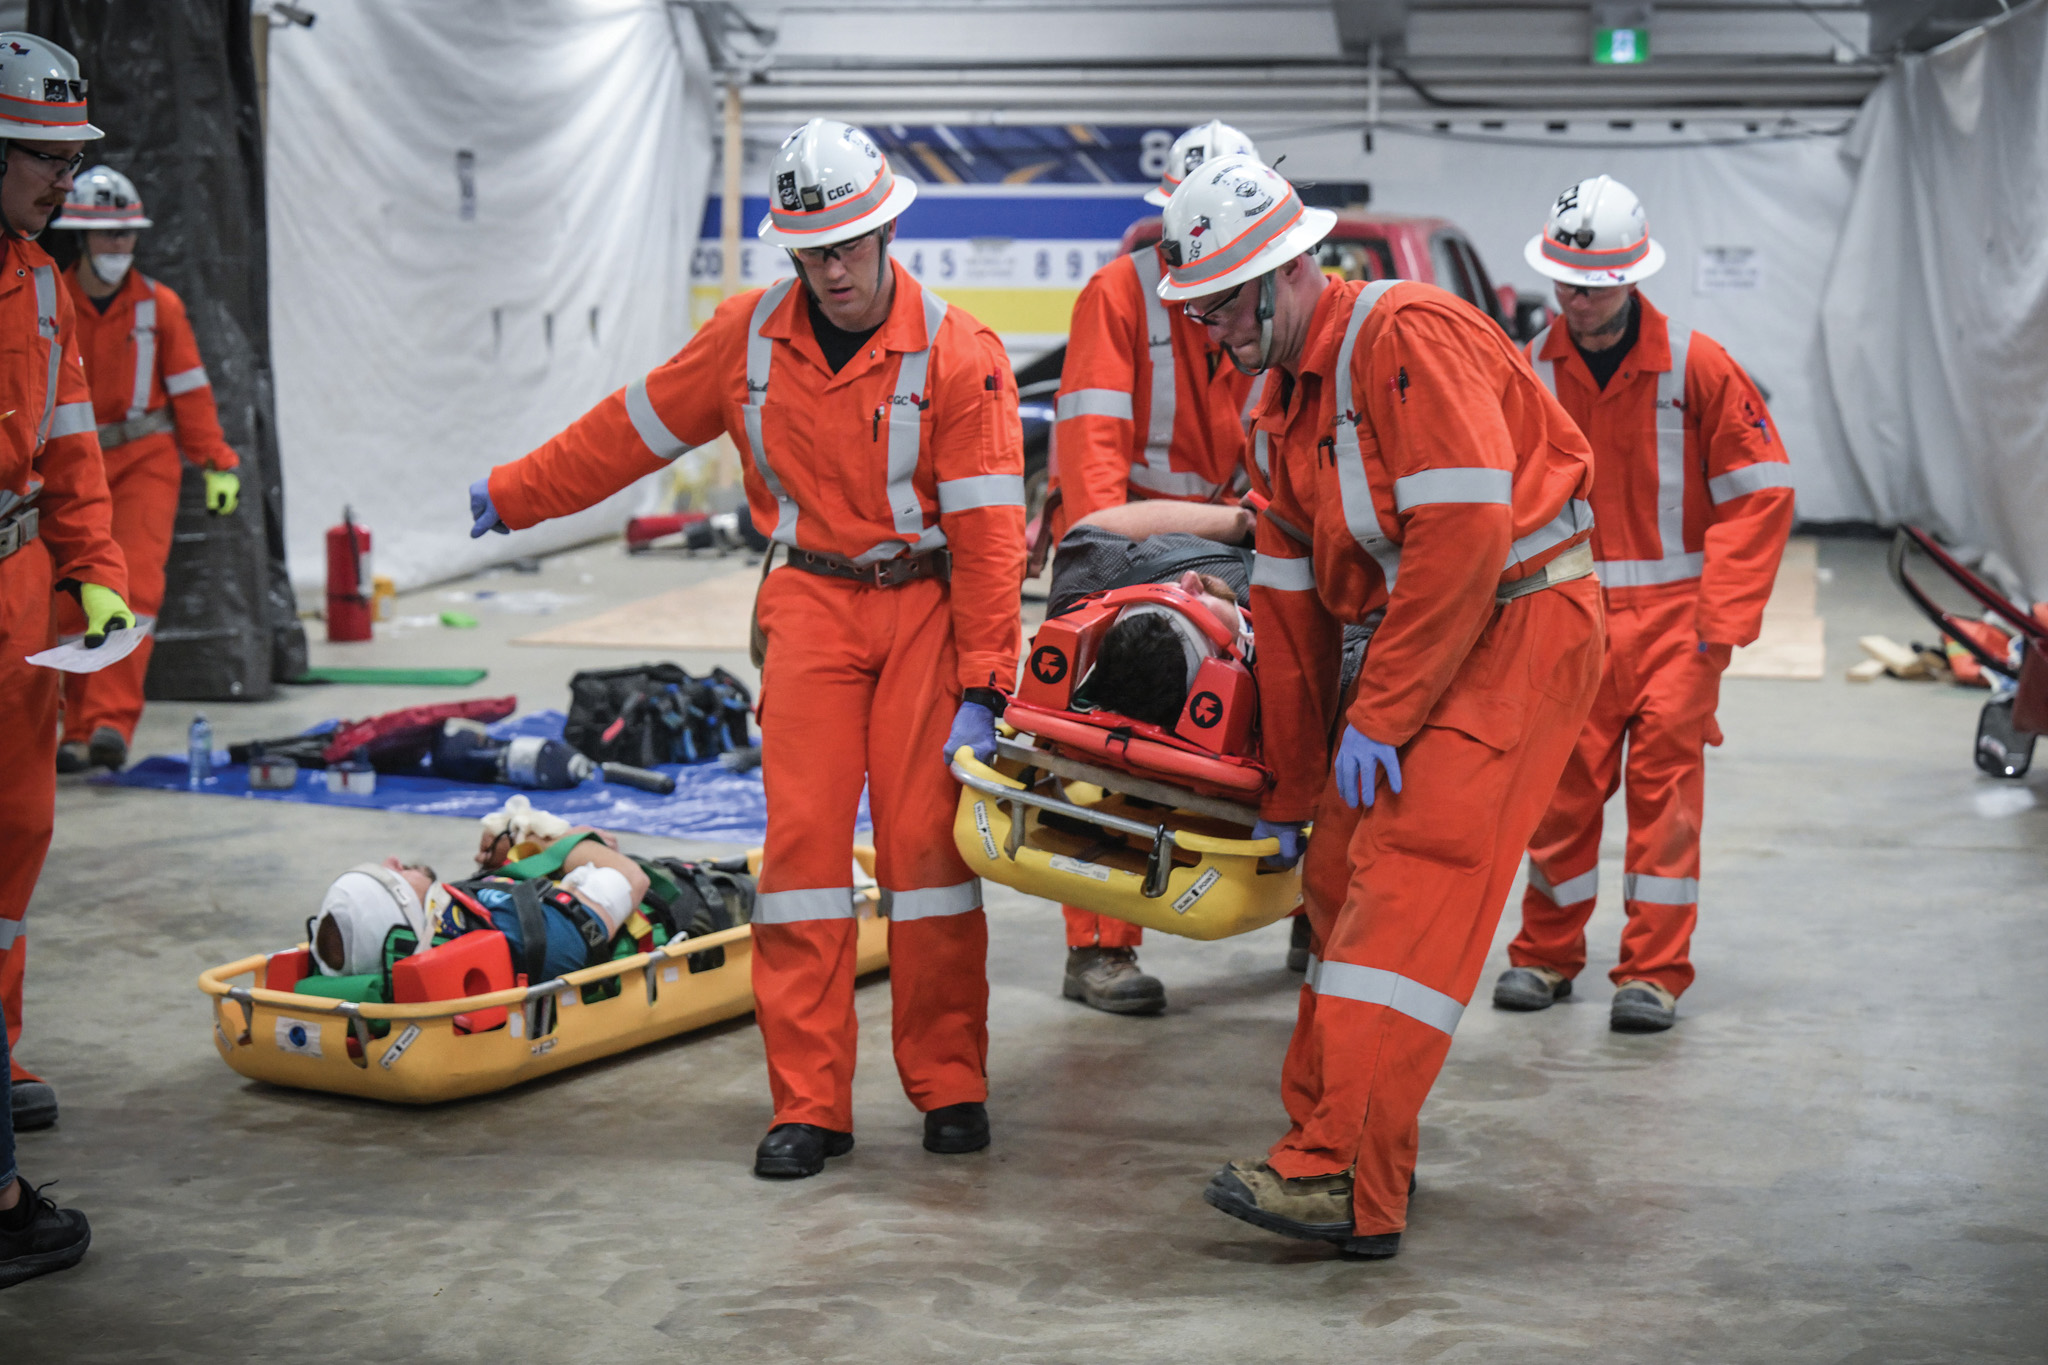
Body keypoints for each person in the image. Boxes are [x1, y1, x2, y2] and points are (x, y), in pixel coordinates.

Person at [467, 118, 1024, 1180]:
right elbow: (627, 432)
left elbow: (994, 537)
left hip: (924, 610)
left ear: (887, 230)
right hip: (811, 599)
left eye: (849, 247)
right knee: (802, 860)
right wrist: (516, 492)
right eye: (812, 253)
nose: (832, 271)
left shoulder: (960, 354)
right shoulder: (746, 336)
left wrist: (985, 686)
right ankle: (810, 1103)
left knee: (929, 857)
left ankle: (950, 1083)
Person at [1160, 155, 1604, 1258]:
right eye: (1197, 309)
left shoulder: (1406, 335)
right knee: (1337, 879)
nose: (1211, 329)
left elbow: (1465, 538)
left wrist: (1382, 718)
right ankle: (1325, 1142)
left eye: (1222, 303)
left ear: (1288, 270)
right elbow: (1291, 604)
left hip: (1518, 623)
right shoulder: (1278, 407)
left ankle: (1339, 1175)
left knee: (1409, 890)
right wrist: (1296, 782)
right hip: (1424, 640)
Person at [1494, 176, 1794, 1032]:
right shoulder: (1526, 370)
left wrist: (1720, 631)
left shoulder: (1697, 366)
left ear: (1632, 280)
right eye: (1564, 284)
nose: (1575, 302)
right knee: (1560, 794)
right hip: (1569, 616)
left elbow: (1760, 493)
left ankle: (1653, 972)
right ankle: (1545, 956)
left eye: (1591, 287)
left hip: (1677, 627)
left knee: (1666, 799)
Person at [1041, 119, 1263, 1011]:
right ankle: (1099, 945)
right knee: (1104, 736)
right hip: (1133, 539)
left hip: (1241, 536)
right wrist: (1127, 576)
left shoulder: (1263, 296)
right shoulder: (1118, 296)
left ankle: (1306, 904)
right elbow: (1092, 449)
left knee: (1280, 713)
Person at [0, 31, 134, 1283]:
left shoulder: (40, 286)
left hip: (17, 589)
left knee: (16, 842)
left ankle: (1, 1054)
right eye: (43, 159)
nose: (64, 183)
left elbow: (71, 451)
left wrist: (92, 575)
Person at [51, 164, 241, 773]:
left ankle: (107, 723)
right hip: (70, 462)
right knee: (67, 600)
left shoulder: (161, 307)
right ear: (81, 236)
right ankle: (72, 730)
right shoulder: (49, 300)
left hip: (144, 460)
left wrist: (218, 464)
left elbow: (191, 392)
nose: (119, 247)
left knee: (131, 592)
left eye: (128, 235)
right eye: (108, 236)